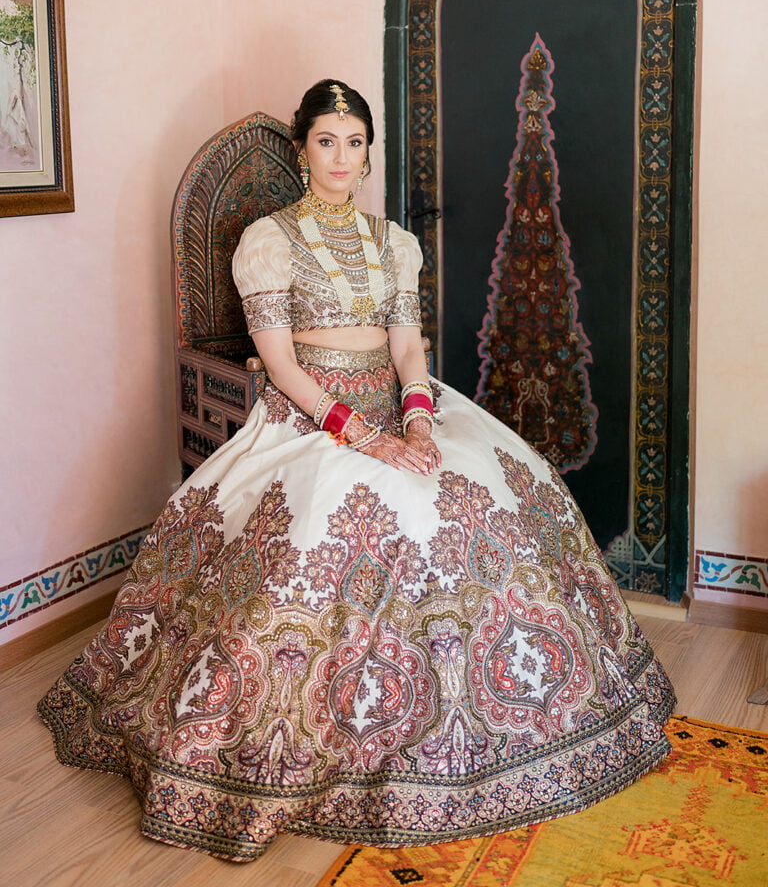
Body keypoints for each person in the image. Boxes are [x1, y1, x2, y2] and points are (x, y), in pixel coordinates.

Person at [39, 79, 675, 862]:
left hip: (398, 400)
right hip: (309, 411)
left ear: (368, 153)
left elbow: (408, 345)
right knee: (380, 502)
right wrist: (365, 439)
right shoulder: (269, 239)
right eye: (327, 141)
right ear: (304, 149)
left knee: (505, 481)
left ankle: (506, 716)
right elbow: (277, 362)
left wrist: (414, 415)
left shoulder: (392, 240)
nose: (342, 157)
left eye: (355, 142)